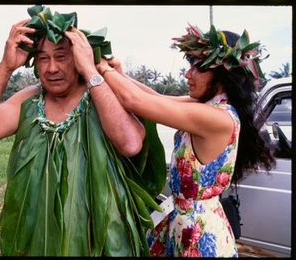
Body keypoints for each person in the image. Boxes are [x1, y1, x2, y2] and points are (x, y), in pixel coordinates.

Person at [0, 6, 166, 257]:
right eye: (44, 58)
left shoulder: (102, 96)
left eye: (62, 56)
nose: (52, 68)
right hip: (40, 239)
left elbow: (130, 144)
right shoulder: (29, 101)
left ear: (80, 58)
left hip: (100, 239)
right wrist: (6, 67)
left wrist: (92, 71)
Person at [96, 24, 275, 257]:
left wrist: (98, 70)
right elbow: (156, 99)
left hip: (200, 237)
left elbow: (135, 101)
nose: (188, 74)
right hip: (185, 225)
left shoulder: (217, 117)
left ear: (222, 73)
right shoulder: (208, 106)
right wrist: (119, 74)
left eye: (197, 68)